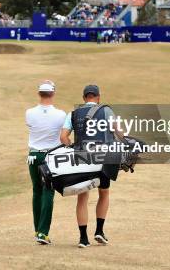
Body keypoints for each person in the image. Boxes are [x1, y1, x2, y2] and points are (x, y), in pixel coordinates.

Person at [60, 84, 116, 248]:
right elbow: (119, 132)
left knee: (82, 196)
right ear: (98, 97)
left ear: (84, 98)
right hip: (103, 157)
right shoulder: (106, 111)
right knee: (104, 193)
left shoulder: (73, 113)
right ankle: (99, 231)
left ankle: (83, 239)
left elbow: (63, 137)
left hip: (82, 157)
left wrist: (72, 147)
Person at [26, 80, 66, 245]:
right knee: (48, 192)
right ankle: (42, 232)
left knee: (37, 191)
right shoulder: (61, 115)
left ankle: (37, 230)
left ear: (39, 93)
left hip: (33, 156)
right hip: (50, 157)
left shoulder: (29, 112)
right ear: (53, 93)